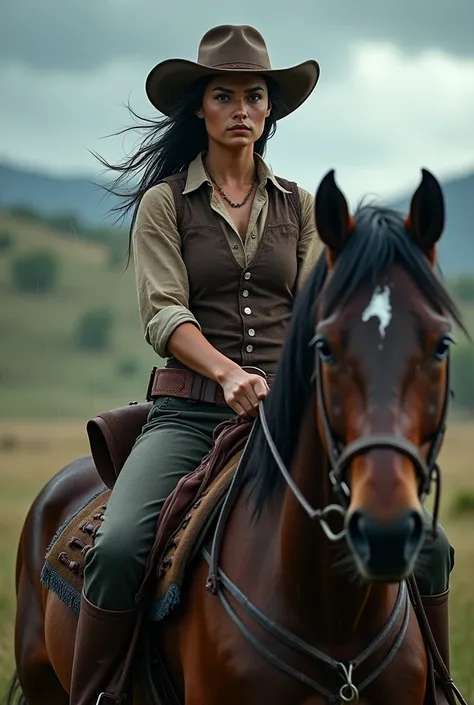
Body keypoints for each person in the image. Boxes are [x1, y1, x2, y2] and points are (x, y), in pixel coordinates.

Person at [69, 24, 456, 705]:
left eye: (254, 96)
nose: (241, 109)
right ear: (200, 108)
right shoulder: (164, 205)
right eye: (224, 95)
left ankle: (444, 691)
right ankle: (98, 694)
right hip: (189, 414)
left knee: (427, 546)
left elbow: (319, 314)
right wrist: (226, 373)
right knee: (120, 544)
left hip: (288, 417)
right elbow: (164, 315)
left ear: (271, 109)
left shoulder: (302, 207)